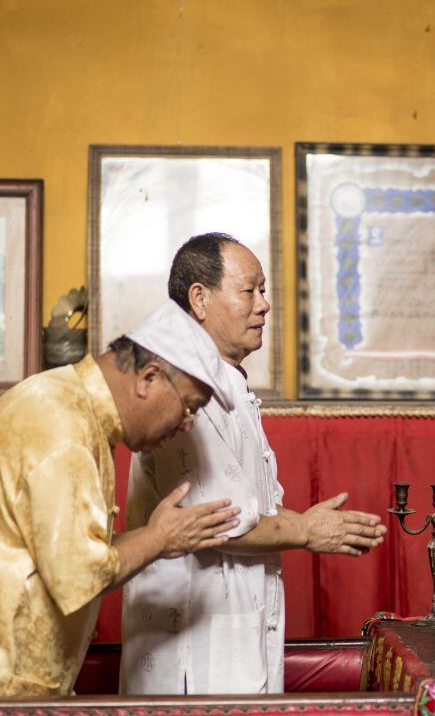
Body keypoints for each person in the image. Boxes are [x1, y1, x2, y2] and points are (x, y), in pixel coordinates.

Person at [0, 302, 242, 697]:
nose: (185, 425)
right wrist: (161, 539)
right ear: (148, 378)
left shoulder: (67, 406)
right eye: (189, 408)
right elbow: (81, 574)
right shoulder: (64, 428)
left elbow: (73, 554)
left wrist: (159, 535)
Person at [120, 233, 387, 695]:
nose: (264, 305)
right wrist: (306, 531)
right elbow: (226, 521)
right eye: (250, 291)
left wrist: (309, 522)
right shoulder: (181, 386)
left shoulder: (230, 385)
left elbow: (256, 508)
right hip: (192, 655)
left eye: (264, 291)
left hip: (235, 641)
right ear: (200, 299)